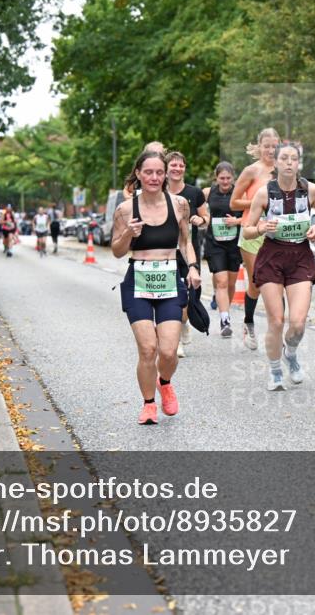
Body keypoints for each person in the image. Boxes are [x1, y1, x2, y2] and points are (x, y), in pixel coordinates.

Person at [112, 150, 201, 425]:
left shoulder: (179, 205)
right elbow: (116, 250)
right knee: (148, 349)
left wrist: (194, 267)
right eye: (148, 172)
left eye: (159, 172)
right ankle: (149, 404)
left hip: (169, 279)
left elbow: (185, 241)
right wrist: (129, 233)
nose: (154, 177)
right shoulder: (126, 210)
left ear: (165, 175)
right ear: (138, 174)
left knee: (168, 351)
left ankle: (165, 382)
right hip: (138, 281)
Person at [242, 142, 315, 391]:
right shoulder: (264, 193)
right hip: (271, 255)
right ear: (276, 163)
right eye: (285, 158)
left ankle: (290, 353)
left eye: (294, 158)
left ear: (298, 163)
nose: (289, 162)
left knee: (298, 323)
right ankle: (275, 370)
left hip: (300, 255)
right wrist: (261, 227)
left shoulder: (311, 190)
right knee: (276, 321)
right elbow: (247, 230)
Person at [230, 127, 280, 350]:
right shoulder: (251, 171)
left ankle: (277, 330)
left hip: (277, 233)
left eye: (274, 146)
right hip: (252, 231)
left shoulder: (285, 170)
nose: (270, 150)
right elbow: (233, 203)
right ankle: (249, 322)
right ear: (259, 147)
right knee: (256, 282)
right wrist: (259, 202)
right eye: (266, 146)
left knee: (279, 282)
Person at [165, 151, 209, 357]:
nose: (177, 169)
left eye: (181, 166)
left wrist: (201, 221)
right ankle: (175, 341)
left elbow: (206, 216)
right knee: (173, 296)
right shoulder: (157, 192)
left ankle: (183, 323)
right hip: (164, 252)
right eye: (173, 165)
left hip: (188, 251)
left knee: (189, 297)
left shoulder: (194, 193)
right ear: (166, 168)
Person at [202, 162, 243, 337]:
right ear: (216, 178)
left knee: (231, 283)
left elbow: (253, 214)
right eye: (221, 178)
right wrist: (202, 218)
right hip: (215, 243)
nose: (225, 181)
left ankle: (223, 304)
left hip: (234, 243)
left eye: (228, 178)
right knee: (222, 282)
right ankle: (224, 320)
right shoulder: (207, 192)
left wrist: (237, 221)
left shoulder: (241, 193)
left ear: (233, 178)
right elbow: (196, 210)